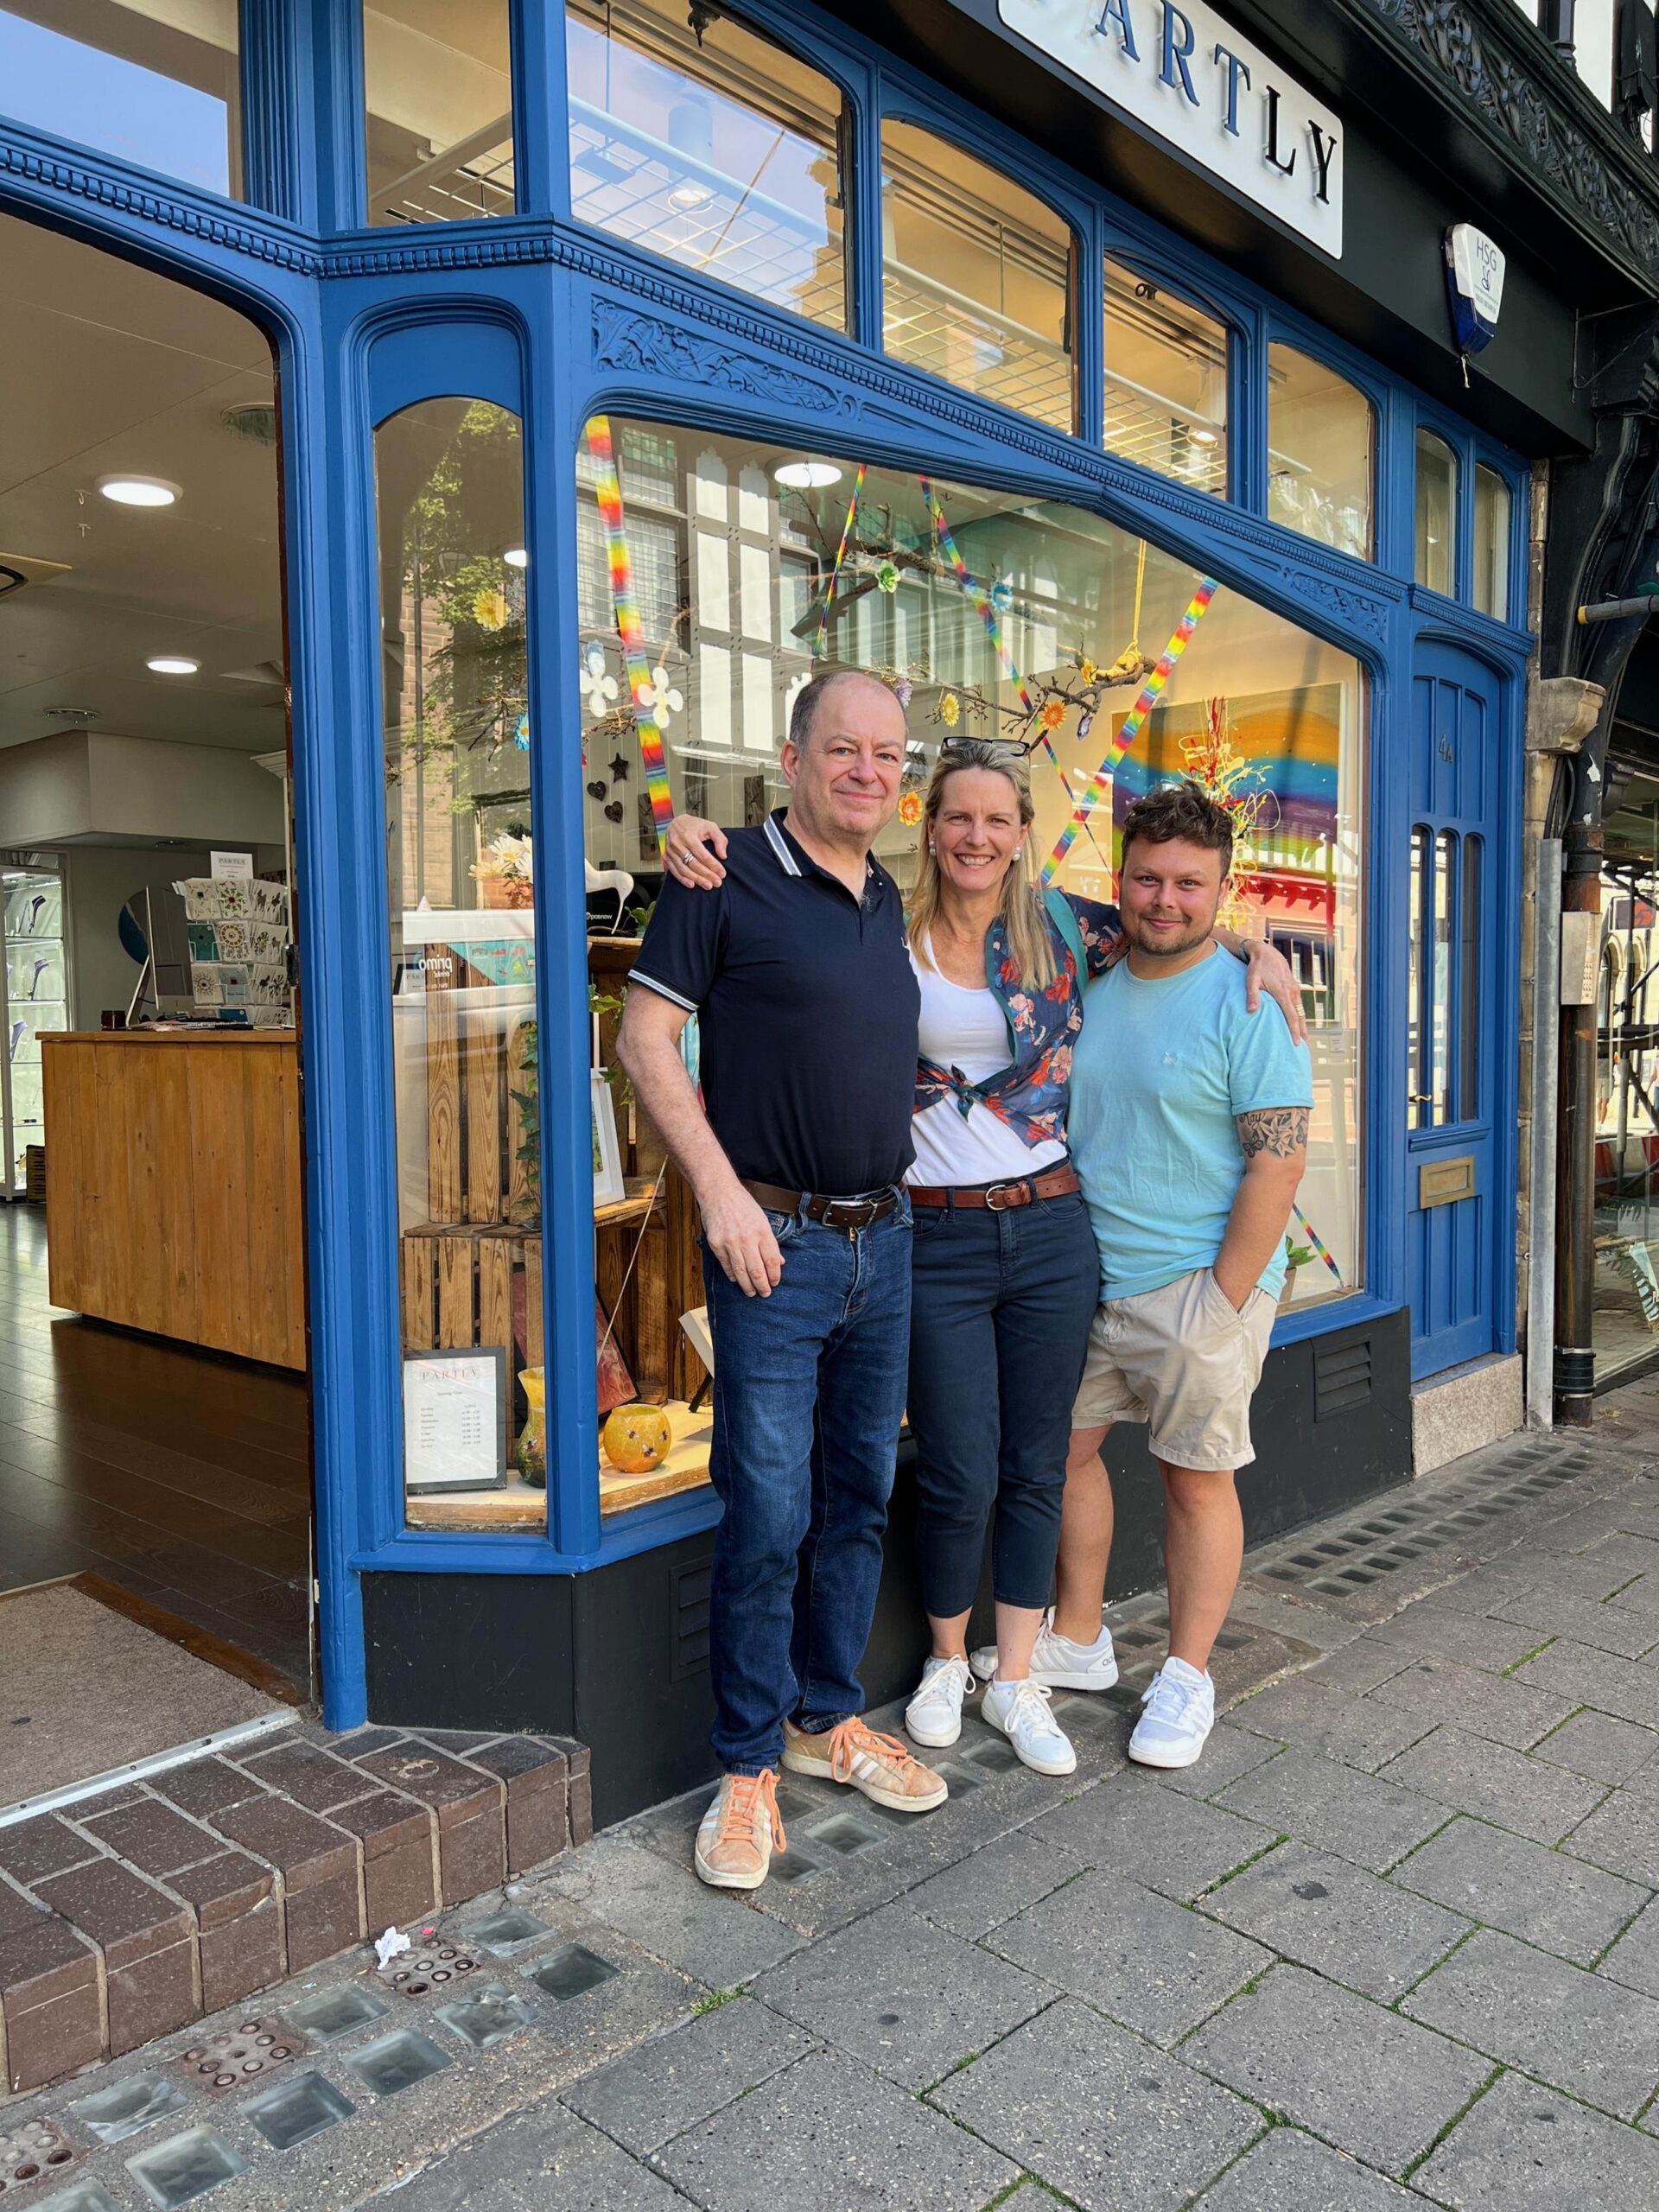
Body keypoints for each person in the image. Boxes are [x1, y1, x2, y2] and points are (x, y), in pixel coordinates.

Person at [664, 739, 1304, 1783]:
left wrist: (1254, 945)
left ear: (1022, 833)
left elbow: (1170, 920)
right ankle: (948, 1663)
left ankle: (1020, 1672)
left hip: (1055, 1226)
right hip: (935, 1227)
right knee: (959, 1462)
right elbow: (761, 934)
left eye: (998, 819)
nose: (977, 836)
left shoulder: (1059, 924)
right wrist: (685, 835)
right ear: (931, 824)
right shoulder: (879, 919)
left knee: (1039, 1460)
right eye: (958, 816)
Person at [616, 670, 949, 1894]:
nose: (868, 770)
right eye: (844, 749)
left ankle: (824, 1720)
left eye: (886, 755)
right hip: (776, 1247)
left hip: (886, 1238)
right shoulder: (719, 874)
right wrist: (718, 1191)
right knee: (767, 1516)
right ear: (793, 757)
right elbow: (643, 1039)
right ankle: (746, 1767)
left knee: (858, 1496)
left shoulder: (884, 895)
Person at [997, 778, 1311, 1771]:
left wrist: (1223, 1299)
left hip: (1193, 1285)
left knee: (1194, 1482)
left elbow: (1280, 1156)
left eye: (1189, 883)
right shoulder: (1088, 976)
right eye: (1147, 879)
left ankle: (1187, 1674)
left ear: (1220, 889)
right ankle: (1082, 1640)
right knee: (1061, 1457)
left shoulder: (1250, 994)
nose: (1164, 899)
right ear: (1120, 880)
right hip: (1089, 1278)